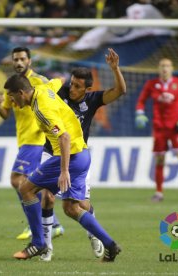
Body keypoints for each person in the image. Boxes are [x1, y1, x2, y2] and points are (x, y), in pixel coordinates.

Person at [4, 74, 121, 262]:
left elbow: (64, 137)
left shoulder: (42, 108)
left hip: (71, 156)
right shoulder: (44, 89)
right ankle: (110, 245)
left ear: (21, 93)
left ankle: (38, 243)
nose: (12, 101)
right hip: (83, 155)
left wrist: (64, 170)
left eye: (12, 97)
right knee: (71, 208)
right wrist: (61, 78)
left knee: (26, 188)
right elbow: (56, 81)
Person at [40, 48, 126, 261]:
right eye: (72, 83)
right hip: (51, 152)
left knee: (80, 206)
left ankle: (94, 233)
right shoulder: (60, 93)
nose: (72, 89)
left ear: (88, 89)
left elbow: (120, 91)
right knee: (47, 197)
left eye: (78, 87)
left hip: (77, 157)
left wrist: (115, 69)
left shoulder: (94, 100)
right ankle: (46, 247)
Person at [0, 47, 64, 241]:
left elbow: (57, 94)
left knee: (18, 180)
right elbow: (5, 113)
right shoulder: (11, 85)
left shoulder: (40, 82)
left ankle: (39, 226)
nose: (18, 62)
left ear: (29, 61)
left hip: (37, 140)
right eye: (15, 59)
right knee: (29, 184)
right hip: (24, 140)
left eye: (22, 59)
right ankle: (52, 222)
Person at [135, 58, 178, 203]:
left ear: (172, 68)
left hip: (176, 127)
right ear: (158, 68)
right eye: (162, 66)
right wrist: (140, 114)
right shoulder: (151, 84)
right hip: (159, 127)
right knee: (160, 160)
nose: (165, 68)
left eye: (167, 66)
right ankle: (159, 193)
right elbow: (141, 101)